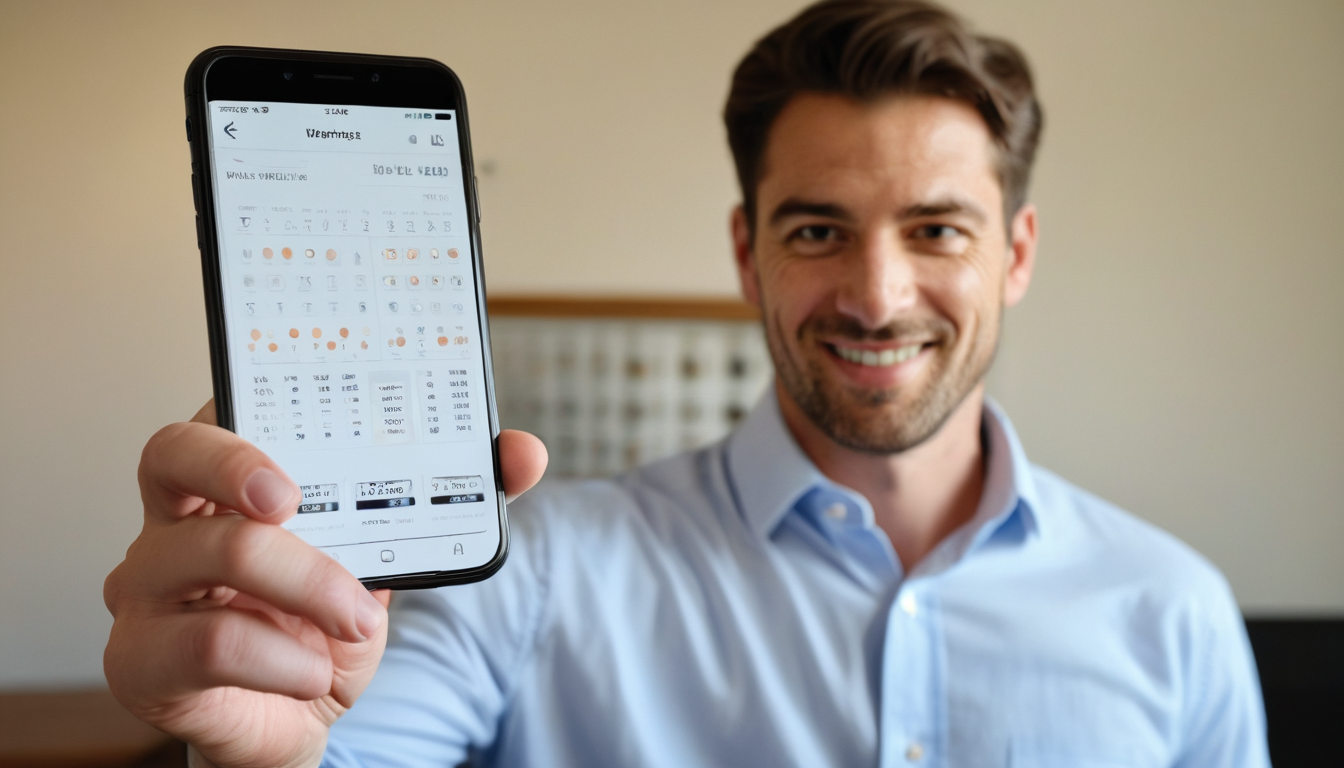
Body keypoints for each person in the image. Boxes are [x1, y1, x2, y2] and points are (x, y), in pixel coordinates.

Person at [103, 1, 1270, 766]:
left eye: (936, 230)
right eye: (817, 229)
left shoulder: (1176, 613)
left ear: (1014, 255)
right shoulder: (533, 572)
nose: (876, 294)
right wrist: (273, 754)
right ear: (745, 247)